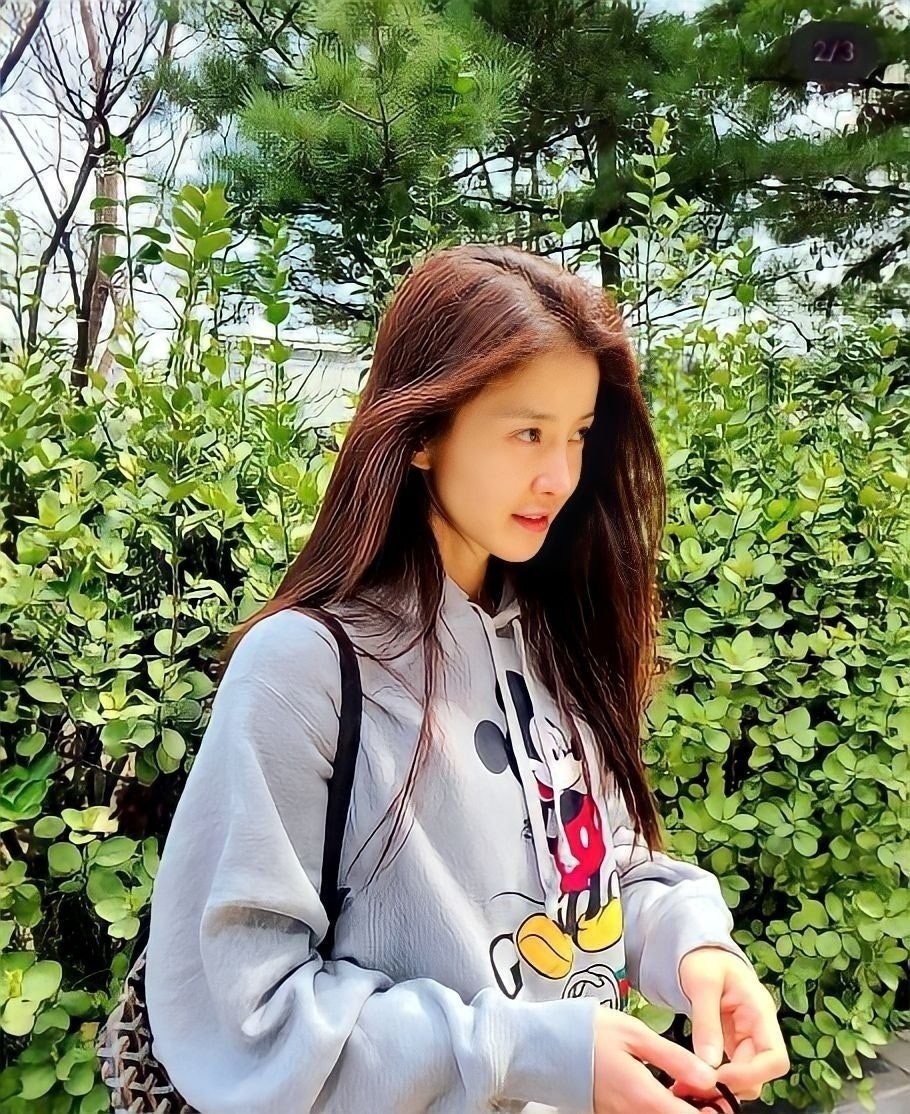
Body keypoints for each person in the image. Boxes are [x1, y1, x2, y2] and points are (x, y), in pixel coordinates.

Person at [144, 243, 789, 1114]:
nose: (560, 476)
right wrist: (526, 1053)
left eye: (578, 435)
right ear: (421, 433)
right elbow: (248, 1017)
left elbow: (599, 870)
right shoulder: (306, 668)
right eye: (527, 432)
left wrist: (695, 949)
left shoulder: (556, 636)